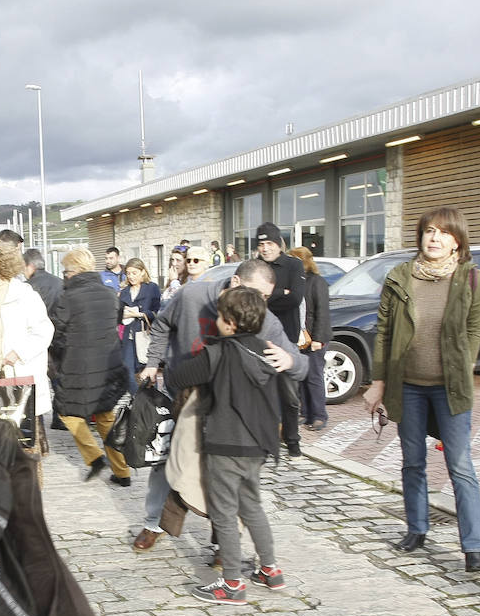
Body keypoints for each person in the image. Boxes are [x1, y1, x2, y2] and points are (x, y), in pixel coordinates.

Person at [133, 257, 304, 552]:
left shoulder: (263, 318)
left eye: (266, 297)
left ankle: (222, 544)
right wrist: (152, 363)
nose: (261, 303)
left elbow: (300, 365)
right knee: (167, 463)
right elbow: (161, 326)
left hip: (228, 408)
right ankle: (154, 522)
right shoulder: (191, 295)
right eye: (259, 294)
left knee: (223, 474)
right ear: (235, 282)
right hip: (184, 394)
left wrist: (290, 360)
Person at [362, 206, 480, 571]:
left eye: (443, 233)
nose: (434, 238)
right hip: (409, 386)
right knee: (413, 462)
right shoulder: (400, 277)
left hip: (451, 387)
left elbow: (476, 328)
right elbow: (384, 332)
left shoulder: (471, 278)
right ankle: (417, 529)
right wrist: (380, 383)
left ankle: (473, 546)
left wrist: (465, 365)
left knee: (460, 465)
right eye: (429, 231)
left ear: (457, 241)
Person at [170, 286, 285, 604]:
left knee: (223, 512)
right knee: (252, 507)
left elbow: (178, 377)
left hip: (224, 443)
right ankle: (270, 570)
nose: (217, 321)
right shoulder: (267, 351)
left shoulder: (217, 353)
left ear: (230, 323)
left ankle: (232, 583)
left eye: (220, 317)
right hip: (257, 446)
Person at [52, 248, 132, 486]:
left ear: (75, 271)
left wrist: (59, 357)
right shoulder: (110, 294)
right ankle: (123, 472)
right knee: (106, 416)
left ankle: (95, 457)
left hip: (79, 366)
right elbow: (116, 322)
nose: (64, 275)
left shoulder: (68, 298)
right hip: (109, 364)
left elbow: (57, 333)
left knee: (67, 412)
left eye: (66, 271)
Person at [0, 240, 55, 434]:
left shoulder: (24, 295)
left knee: (20, 433)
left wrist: (18, 353)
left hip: (16, 374)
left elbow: (44, 331)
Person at [249, 224, 308, 456]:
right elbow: (248, 296)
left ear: (279, 243)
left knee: (290, 396)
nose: (265, 248)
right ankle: (265, 440)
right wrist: (279, 292)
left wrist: (265, 296)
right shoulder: (255, 266)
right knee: (261, 394)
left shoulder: (293, 264)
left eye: (269, 244)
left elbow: (295, 298)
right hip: (259, 337)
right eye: (261, 244)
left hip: (287, 340)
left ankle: (293, 440)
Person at [292, 245, 333, 431]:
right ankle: (305, 412)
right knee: (302, 377)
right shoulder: (296, 281)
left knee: (314, 377)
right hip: (300, 338)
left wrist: (318, 339)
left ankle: (319, 415)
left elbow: (322, 313)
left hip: (314, 337)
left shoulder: (317, 282)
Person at [118, 258, 161, 393]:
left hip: (145, 334)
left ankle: (149, 401)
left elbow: (158, 312)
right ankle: (136, 399)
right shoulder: (125, 292)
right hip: (128, 336)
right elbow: (119, 315)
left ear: (142, 272)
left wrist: (139, 314)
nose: (131, 276)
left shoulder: (151, 288)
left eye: (134, 273)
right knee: (128, 370)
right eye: (128, 273)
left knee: (145, 370)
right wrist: (123, 314)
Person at [23, 247, 63, 314]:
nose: (23, 272)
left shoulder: (27, 287)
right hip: (58, 322)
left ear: (30, 266)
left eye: (23, 268)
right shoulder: (60, 282)